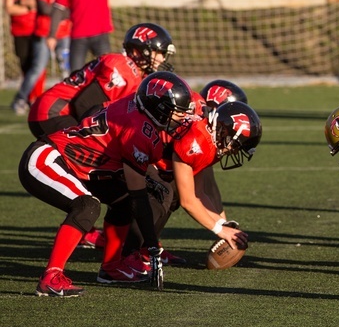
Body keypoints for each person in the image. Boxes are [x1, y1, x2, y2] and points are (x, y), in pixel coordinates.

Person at [18, 72, 193, 297]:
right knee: (87, 206)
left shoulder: (136, 106)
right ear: (158, 108)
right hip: (48, 158)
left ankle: (111, 268)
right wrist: (151, 245)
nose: (181, 117)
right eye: (177, 111)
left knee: (123, 202)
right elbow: (139, 195)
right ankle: (51, 276)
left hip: (79, 165)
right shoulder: (138, 129)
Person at [123, 100, 259, 274]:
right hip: (136, 149)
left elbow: (199, 193)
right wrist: (219, 230)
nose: (233, 151)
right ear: (225, 131)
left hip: (153, 157)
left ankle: (145, 249)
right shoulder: (198, 140)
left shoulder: (211, 141)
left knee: (171, 194)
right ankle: (128, 255)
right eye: (235, 146)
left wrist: (223, 224)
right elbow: (189, 202)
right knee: (163, 193)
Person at [28, 22, 175, 138]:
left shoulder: (132, 72)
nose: (162, 59)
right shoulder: (123, 68)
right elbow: (84, 106)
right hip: (54, 112)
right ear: (138, 51)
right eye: (159, 52)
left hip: (60, 110)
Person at [1, 0, 46, 115]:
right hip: (19, 31)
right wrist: (29, 6)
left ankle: (36, 97)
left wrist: (27, 4)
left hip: (38, 28)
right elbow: (10, 9)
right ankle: (29, 97)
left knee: (39, 66)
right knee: (25, 66)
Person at [33, 0, 71, 82]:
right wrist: (60, 10)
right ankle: (22, 98)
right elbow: (45, 9)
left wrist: (57, 10)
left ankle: (69, 95)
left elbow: (70, 11)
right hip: (45, 33)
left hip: (65, 33)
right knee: (38, 67)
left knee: (66, 67)